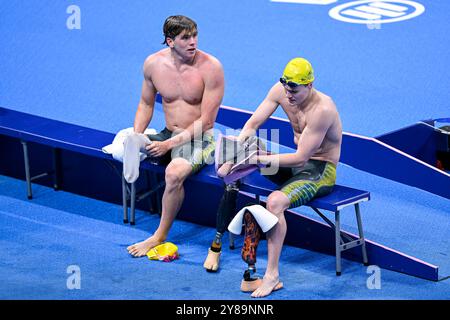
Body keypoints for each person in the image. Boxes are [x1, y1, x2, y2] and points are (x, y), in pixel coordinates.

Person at [211, 57, 342, 298]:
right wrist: (233, 156)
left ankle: (272, 276)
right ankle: (232, 186)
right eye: (286, 88)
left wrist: (257, 160)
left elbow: (302, 158)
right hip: (292, 166)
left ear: (310, 85)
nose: (289, 96)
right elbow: (252, 124)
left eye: (295, 90)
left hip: (319, 170)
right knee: (250, 144)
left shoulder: (323, 109)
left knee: (274, 202)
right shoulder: (280, 91)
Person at [126, 15, 224, 257]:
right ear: (170, 42)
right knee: (129, 141)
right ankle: (134, 143)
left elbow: (207, 121)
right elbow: (145, 104)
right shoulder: (153, 64)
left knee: (173, 173)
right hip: (167, 132)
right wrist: (138, 134)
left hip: (200, 138)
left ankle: (159, 235)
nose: (193, 42)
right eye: (185, 38)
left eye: (194, 35)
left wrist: (169, 144)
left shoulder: (211, 68)